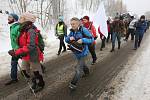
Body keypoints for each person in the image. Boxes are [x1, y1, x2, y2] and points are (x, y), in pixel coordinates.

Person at [8, 12, 45, 92]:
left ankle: (41, 84)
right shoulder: (23, 29)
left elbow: (31, 46)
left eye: (21, 18)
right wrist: (15, 50)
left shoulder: (31, 30)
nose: (19, 19)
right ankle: (34, 81)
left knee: (36, 71)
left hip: (33, 55)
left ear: (26, 20)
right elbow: (20, 43)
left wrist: (17, 52)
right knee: (24, 71)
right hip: (25, 55)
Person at [65, 17, 94, 90]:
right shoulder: (72, 31)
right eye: (71, 24)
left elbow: (91, 39)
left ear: (78, 24)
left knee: (78, 69)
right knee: (82, 64)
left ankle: (73, 84)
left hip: (83, 52)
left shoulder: (83, 30)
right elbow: (66, 39)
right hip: (76, 52)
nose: (72, 25)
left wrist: (83, 40)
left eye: (74, 24)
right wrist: (69, 38)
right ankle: (87, 71)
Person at [5, 13, 20, 85]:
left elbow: (21, 39)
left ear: (14, 19)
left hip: (20, 49)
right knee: (14, 62)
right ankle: (14, 78)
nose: (8, 18)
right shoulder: (12, 27)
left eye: (10, 17)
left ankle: (40, 68)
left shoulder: (17, 27)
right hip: (15, 49)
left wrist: (17, 48)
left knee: (29, 61)